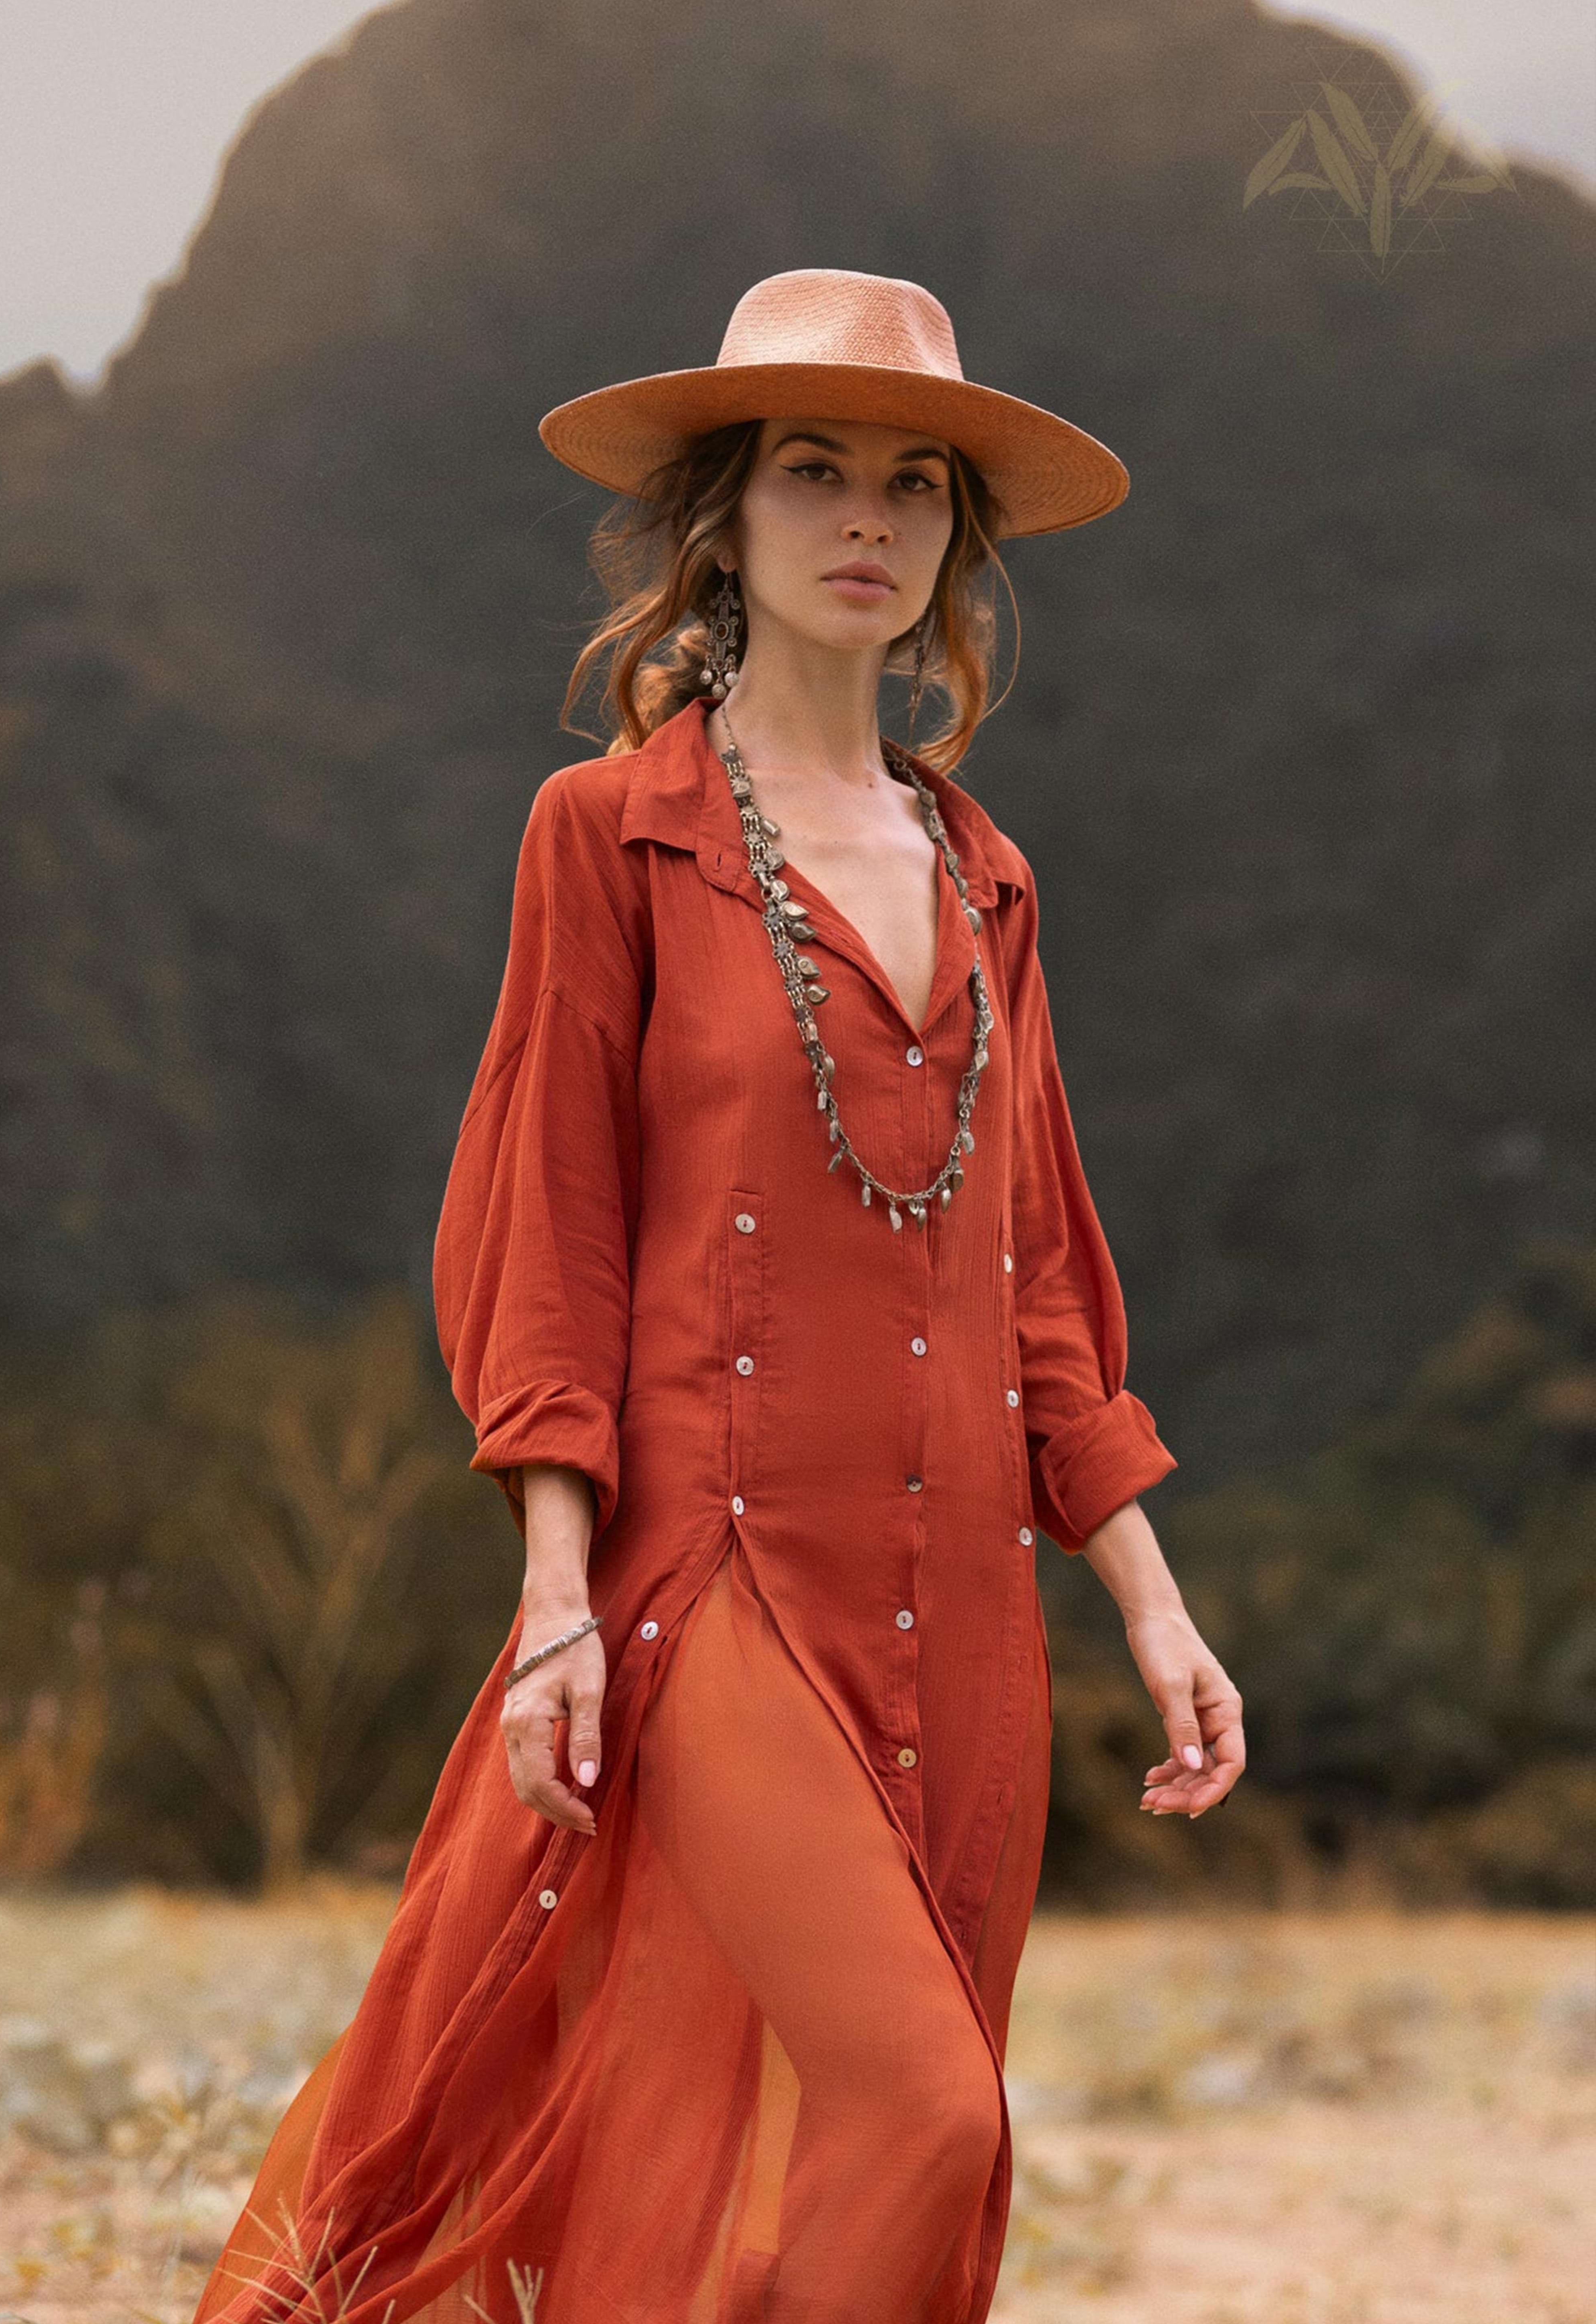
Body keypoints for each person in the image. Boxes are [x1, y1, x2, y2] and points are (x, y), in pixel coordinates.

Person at [193, 267, 1245, 2324]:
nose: (869, 517)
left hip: (960, 1609)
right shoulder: (610, 836)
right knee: (919, 2107)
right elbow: (549, 1226)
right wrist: (555, 1593)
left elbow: (1033, 1279)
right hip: (724, 1578)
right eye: (813, 470)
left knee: (890, 2163)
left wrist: (1148, 1590)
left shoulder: (988, 876)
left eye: (916, 485)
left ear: (958, 545)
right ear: (725, 522)